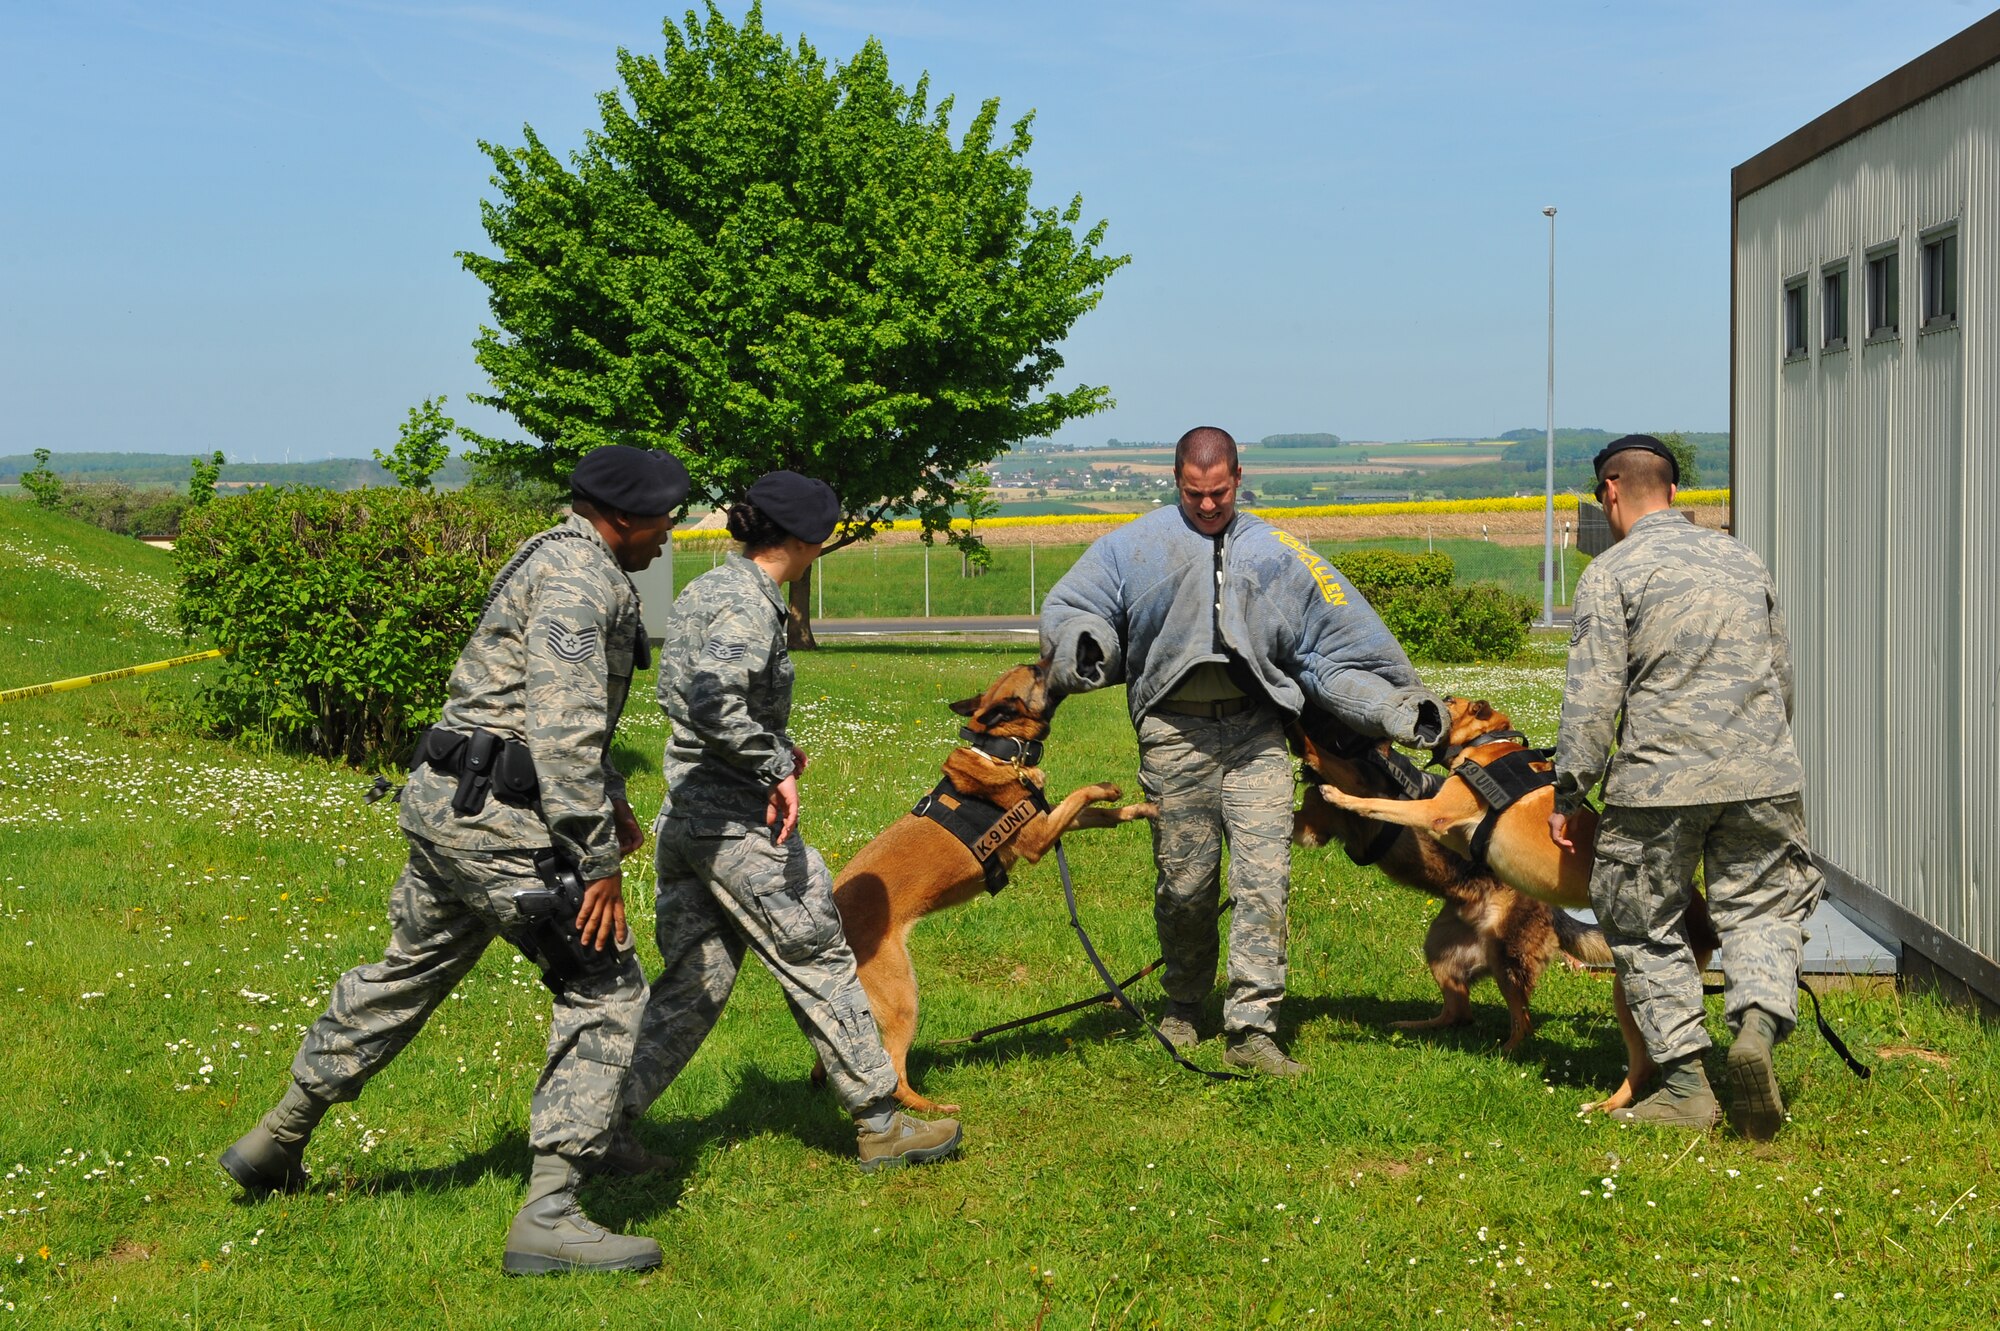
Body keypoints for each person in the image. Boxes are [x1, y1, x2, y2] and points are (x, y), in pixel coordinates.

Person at [219, 443, 689, 1274]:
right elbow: (560, 725)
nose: (666, 537)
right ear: (620, 517)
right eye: (662, 521)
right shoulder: (581, 583)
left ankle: (274, 1140)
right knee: (607, 985)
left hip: (451, 806)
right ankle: (550, 1212)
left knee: (406, 973)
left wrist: (607, 786)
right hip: (503, 825)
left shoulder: (552, 555)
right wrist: (598, 853)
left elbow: (512, 700)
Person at [1040, 427, 1445, 1076]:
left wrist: (1395, 706)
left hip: (1257, 736)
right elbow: (1077, 606)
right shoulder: (1132, 547)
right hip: (1175, 736)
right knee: (1187, 885)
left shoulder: (1281, 555)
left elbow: (1334, 645)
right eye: (1194, 493)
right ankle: (1183, 1003)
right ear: (1176, 480)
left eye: (1220, 492)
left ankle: (1252, 1029)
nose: (1207, 505)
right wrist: (1085, 643)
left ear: (1239, 477)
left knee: (1265, 882)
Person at [619, 471, 962, 1171]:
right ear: (809, 538)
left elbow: (678, 693)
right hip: (740, 826)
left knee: (697, 981)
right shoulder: (749, 606)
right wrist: (771, 760)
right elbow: (716, 704)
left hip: (686, 818)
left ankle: (599, 1122)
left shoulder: (707, 589)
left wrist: (768, 741)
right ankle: (879, 1119)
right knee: (820, 952)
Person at [1548, 434, 1820, 1139]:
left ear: (1611, 489)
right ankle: (1755, 1025)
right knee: (1762, 908)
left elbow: (1591, 700)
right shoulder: (1743, 559)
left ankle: (1685, 1085)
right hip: (1763, 770)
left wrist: (1569, 793)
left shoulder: (1612, 573)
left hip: (1658, 781)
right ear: (1673, 490)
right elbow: (1781, 676)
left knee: (1643, 919)